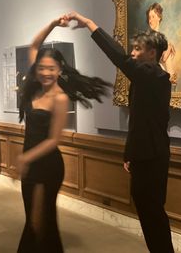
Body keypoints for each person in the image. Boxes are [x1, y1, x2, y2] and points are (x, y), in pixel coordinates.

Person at [68, 11, 174, 253]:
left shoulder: (153, 75)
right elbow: (139, 122)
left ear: (152, 53)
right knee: (149, 211)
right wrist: (129, 154)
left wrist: (89, 24)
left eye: (138, 49)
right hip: (145, 155)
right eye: (133, 49)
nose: (133, 53)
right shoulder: (146, 77)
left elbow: (117, 56)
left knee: (152, 213)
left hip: (152, 157)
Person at [16, 14, 111, 253]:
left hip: (47, 165)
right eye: (42, 68)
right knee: (35, 221)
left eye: (51, 68)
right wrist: (51, 24)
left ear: (59, 70)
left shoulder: (60, 98)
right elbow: (35, 45)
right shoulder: (35, 87)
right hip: (30, 162)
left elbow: (54, 140)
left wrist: (26, 158)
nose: (46, 72)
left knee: (40, 222)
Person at [146, 2, 177, 86]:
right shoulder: (147, 37)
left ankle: (171, 78)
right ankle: (171, 78)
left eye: (153, 17)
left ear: (159, 18)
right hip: (150, 72)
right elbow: (157, 58)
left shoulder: (161, 37)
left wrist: (169, 46)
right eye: (149, 17)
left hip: (159, 71)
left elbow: (163, 58)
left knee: (168, 51)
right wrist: (169, 47)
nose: (150, 20)